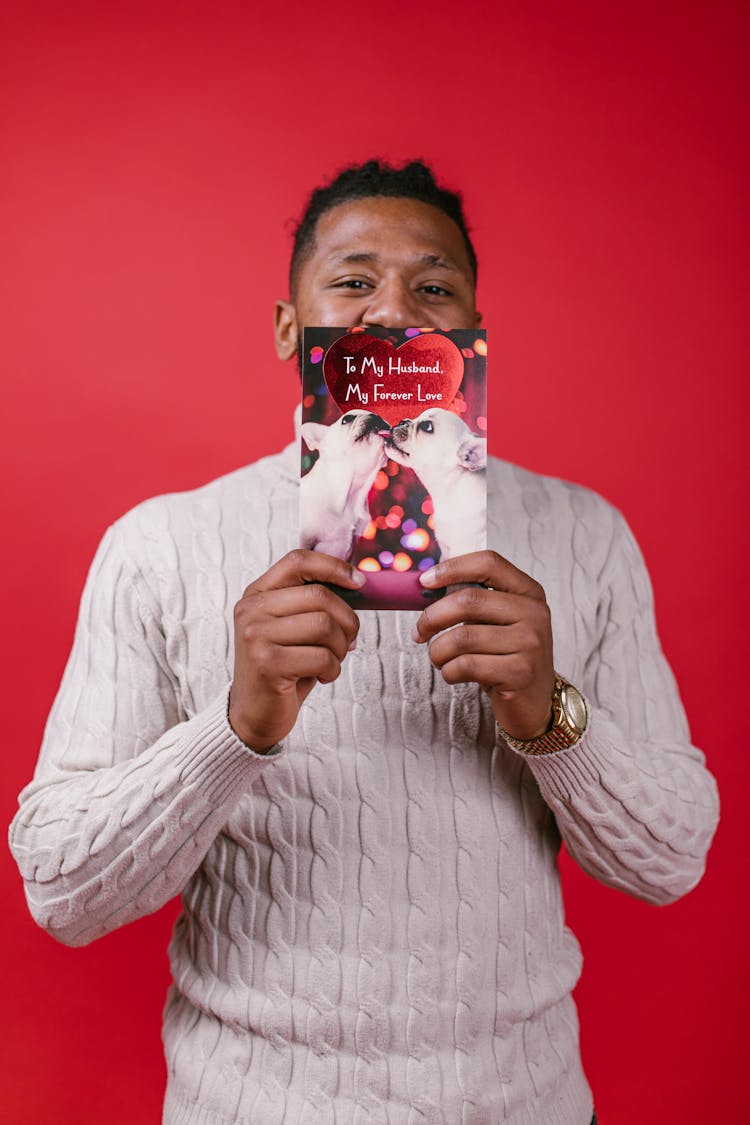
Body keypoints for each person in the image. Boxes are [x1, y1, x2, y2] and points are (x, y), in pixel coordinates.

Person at [9, 160, 718, 1125]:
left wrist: (549, 714)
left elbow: (671, 858)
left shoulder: (585, 533)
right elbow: (62, 889)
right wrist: (234, 727)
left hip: (523, 1103)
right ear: (289, 328)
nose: (394, 312)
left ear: (472, 331)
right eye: (352, 281)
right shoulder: (159, 544)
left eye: (433, 287)